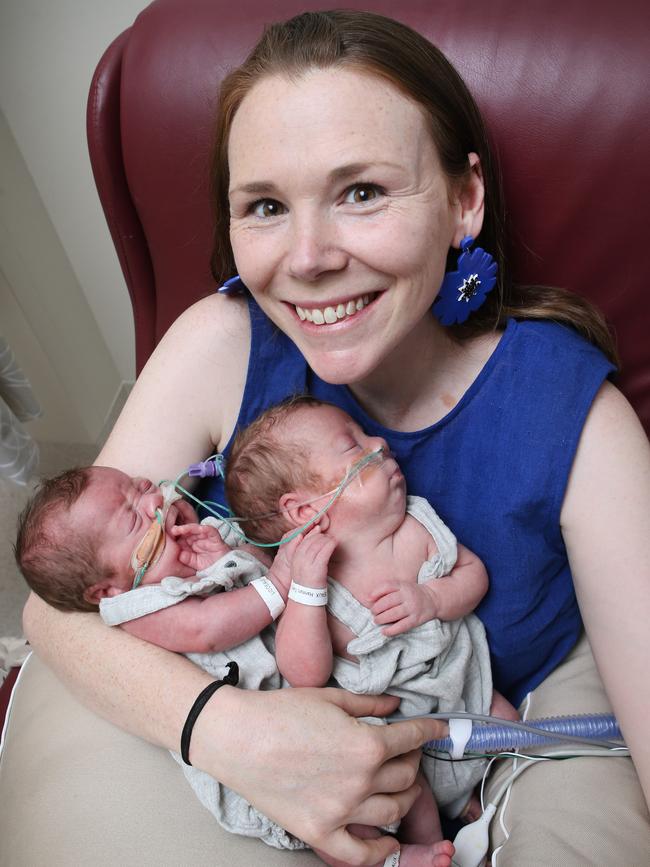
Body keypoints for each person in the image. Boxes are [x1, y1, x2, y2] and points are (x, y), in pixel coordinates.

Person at [21, 9, 650, 866]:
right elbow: (56, 612)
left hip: (490, 733)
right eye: (267, 205)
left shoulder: (573, 415)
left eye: (362, 191)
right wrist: (238, 736)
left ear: (465, 200)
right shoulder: (222, 341)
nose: (307, 256)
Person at [16, 400, 516, 867]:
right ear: (105, 589)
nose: (154, 503)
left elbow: (258, 566)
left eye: (143, 486)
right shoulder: (140, 607)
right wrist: (280, 584)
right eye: (132, 516)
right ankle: (395, 857)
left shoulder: (209, 539)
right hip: (267, 743)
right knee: (348, 816)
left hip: (318, 692)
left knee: (404, 769)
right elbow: (208, 629)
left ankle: (439, 831)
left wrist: (232, 559)